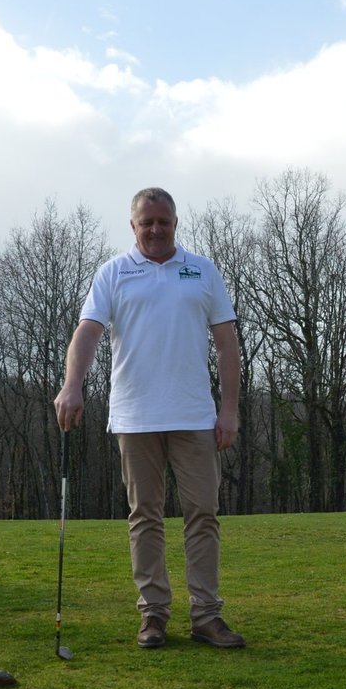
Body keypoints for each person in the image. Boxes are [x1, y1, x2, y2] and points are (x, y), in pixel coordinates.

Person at [54, 187, 244, 650]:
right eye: (147, 223)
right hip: (135, 416)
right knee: (145, 517)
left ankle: (206, 615)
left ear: (175, 223)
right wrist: (72, 385)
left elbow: (226, 343)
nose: (156, 230)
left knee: (203, 514)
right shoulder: (113, 273)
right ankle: (153, 614)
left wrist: (230, 409)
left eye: (164, 221)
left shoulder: (202, 270)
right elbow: (88, 333)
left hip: (194, 415)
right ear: (133, 225)